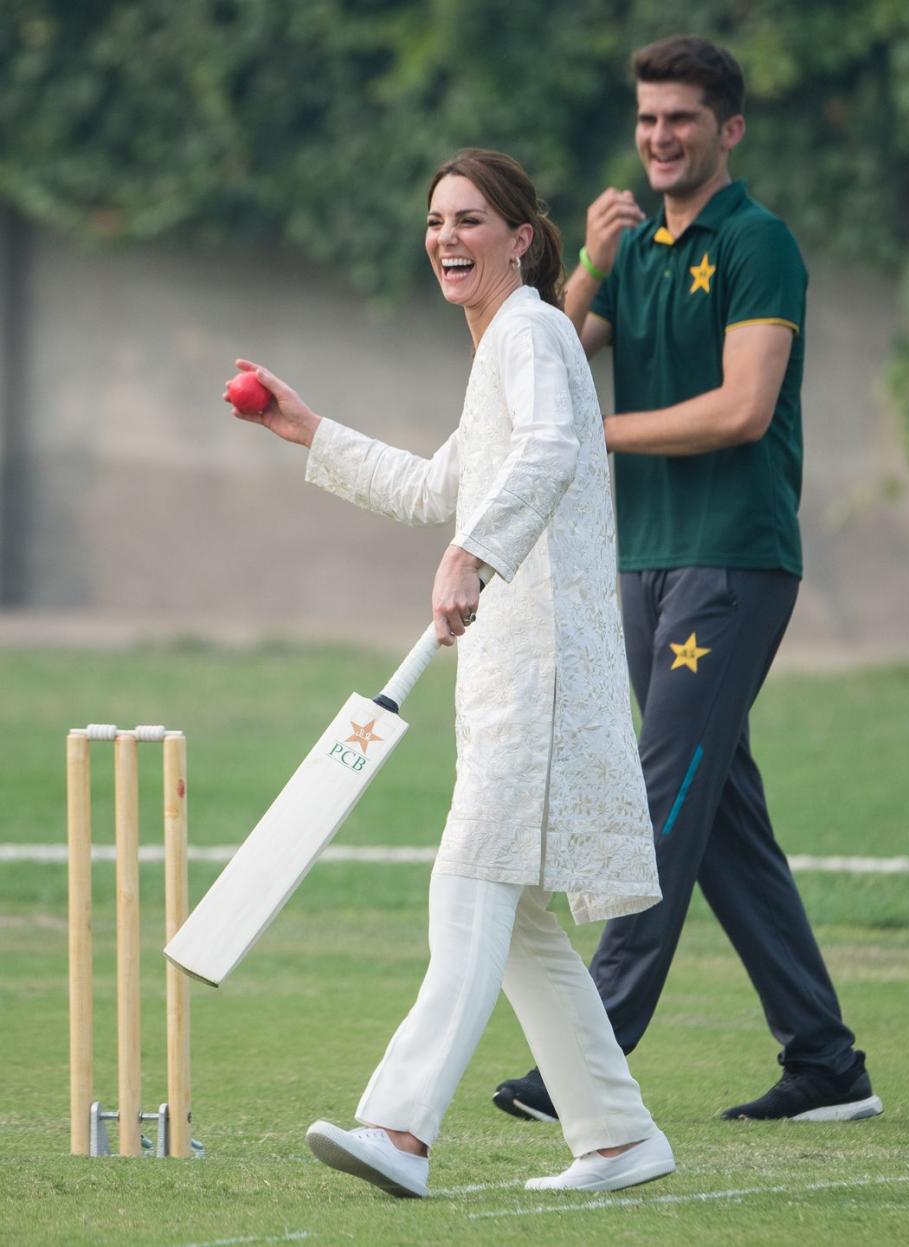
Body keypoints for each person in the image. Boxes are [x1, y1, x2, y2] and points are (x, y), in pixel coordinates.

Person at [225, 149, 675, 1197]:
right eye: (436, 221)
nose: (447, 238)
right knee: (515, 922)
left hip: (544, 670)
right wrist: (304, 427)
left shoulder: (532, 329)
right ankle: (617, 1134)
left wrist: (477, 553)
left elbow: (558, 446)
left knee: (466, 883)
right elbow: (441, 485)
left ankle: (400, 1126)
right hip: (512, 671)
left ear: (521, 237)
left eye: (470, 220)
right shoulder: (505, 346)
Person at [493, 36, 884, 1125]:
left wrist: (594, 434)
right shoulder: (637, 249)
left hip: (733, 556)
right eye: (649, 119)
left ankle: (589, 1044)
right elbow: (535, 364)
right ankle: (827, 1062)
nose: (662, 138)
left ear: (729, 130)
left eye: (683, 120)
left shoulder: (758, 244)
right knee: (718, 817)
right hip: (644, 558)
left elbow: (742, 407)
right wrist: (584, 270)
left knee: (658, 794)